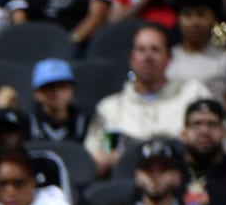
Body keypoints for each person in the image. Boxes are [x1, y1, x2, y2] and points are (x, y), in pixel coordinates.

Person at [85, 25, 212, 177]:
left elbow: (219, 144)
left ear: (169, 58)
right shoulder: (111, 108)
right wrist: (111, 158)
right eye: (141, 50)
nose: (147, 57)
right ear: (131, 59)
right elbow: (93, 161)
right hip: (128, 184)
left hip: (187, 178)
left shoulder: (193, 94)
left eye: (155, 50)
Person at [28, 59, 90, 144]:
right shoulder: (27, 123)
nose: (57, 94)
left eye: (63, 87)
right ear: (37, 93)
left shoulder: (84, 123)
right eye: (51, 88)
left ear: (71, 91)